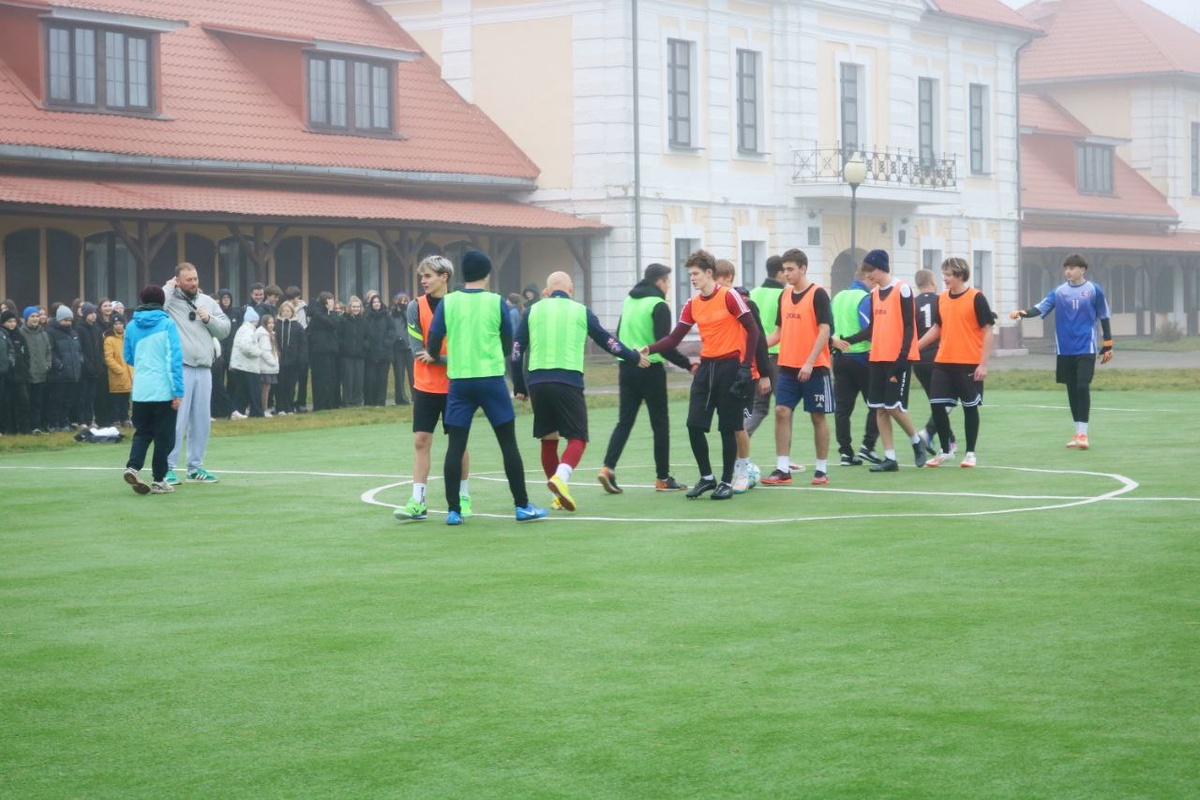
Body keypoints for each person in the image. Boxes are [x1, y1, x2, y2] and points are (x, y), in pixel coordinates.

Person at [424, 249, 547, 524]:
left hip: (460, 381)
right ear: (487, 274)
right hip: (491, 379)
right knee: (508, 444)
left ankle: (454, 511)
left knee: (456, 446)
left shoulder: (449, 302)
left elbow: (433, 340)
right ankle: (522, 506)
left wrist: (436, 355)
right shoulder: (496, 302)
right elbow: (507, 342)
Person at [512, 270, 648, 512]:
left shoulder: (532, 311)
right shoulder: (580, 311)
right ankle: (560, 478)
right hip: (567, 380)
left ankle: (556, 496)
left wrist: (519, 385)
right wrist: (633, 356)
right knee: (578, 438)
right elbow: (607, 341)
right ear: (571, 289)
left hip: (537, 382)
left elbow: (516, 349)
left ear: (547, 291)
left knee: (548, 439)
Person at [644, 249, 760, 500]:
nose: (692, 278)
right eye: (690, 274)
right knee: (694, 425)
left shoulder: (730, 296)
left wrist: (745, 367)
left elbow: (753, 330)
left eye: (695, 273)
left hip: (730, 367)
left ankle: (726, 481)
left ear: (709, 273)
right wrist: (649, 349)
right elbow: (674, 338)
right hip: (706, 368)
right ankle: (707, 477)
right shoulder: (692, 304)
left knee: (728, 428)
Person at [830, 249, 928, 473]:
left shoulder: (902, 289)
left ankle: (916, 442)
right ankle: (890, 458)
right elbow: (871, 329)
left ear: (881, 268)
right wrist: (848, 340)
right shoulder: (874, 294)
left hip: (897, 359)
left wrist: (903, 357)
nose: (868, 275)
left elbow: (909, 326)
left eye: (871, 271)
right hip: (877, 357)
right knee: (879, 408)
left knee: (894, 407)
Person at [598, 263, 692, 494]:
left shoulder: (628, 301)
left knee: (624, 421)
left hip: (627, 367)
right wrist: (688, 364)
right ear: (659, 282)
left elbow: (618, 335)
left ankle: (608, 467)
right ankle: (662, 478)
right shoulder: (659, 305)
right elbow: (665, 345)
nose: (668, 286)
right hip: (651, 369)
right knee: (660, 424)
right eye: (667, 282)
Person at [394, 255, 472, 521]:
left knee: (459, 444)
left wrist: (439, 358)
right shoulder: (415, 307)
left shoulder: (460, 305)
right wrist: (446, 358)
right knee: (421, 441)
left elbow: (466, 350)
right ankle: (418, 502)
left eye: (428, 276)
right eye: (422, 277)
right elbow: (418, 350)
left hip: (456, 386)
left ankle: (463, 496)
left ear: (444, 277)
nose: (423, 281)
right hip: (425, 386)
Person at [1008, 252, 1112, 449]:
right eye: (1066, 268)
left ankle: (1084, 434)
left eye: (1072, 268)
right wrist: (1022, 314)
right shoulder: (1059, 292)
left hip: (1086, 347)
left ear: (1082, 270)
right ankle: (1077, 433)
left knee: (1082, 386)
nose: (1068, 272)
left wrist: (1108, 343)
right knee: (1071, 389)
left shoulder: (1094, 290)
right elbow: (1039, 308)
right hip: (1064, 349)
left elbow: (1104, 316)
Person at [760, 248, 834, 486]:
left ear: (803, 268)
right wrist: (754, 346)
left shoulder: (818, 294)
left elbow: (825, 330)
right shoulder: (784, 296)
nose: (786, 273)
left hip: (815, 368)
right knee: (781, 411)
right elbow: (779, 333)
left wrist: (809, 362)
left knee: (818, 417)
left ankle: (821, 470)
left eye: (791, 269)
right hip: (787, 367)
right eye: (784, 269)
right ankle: (783, 469)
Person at [916, 257, 996, 468]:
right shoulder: (941, 298)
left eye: (948, 275)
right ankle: (946, 450)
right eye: (943, 274)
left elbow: (988, 330)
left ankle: (970, 453)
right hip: (943, 361)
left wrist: (983, 364)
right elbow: (937, 328)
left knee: (970, 408)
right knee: (937, 405)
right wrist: (915, 348)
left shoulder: (976, 297)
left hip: (968, 363)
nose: (944, 278)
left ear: (960, 275)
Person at [162, 262, 230, 484]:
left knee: (201, 421)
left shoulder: (208, 302)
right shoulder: (170, 301)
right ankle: (166, 467)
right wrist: (168, 288)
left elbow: (225, 329)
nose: (193, 283)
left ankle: (195, 466)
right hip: (180, 368)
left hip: (204, 368)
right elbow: (155, 308)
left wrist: (209, 319)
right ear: (178, 281)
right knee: (177, 420)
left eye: (195, 278)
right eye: (188, 280)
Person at [713, 258, 773, 493]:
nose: (715, 284)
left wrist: (765, 373)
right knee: (729, 426)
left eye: (718, 279)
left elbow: (758, 339)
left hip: (747, 373)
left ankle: (743, 470)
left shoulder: (746, 304)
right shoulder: (717, 305)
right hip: (725, 372)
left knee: (739, 425)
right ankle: (734, 469)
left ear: (729, 277)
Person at [122, 284, 184, 495]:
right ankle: (159, 480)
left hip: (141, 389)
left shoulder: (131, 326)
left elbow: (128, 356)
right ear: (161, 302)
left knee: (142, 432)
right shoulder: (168, 324)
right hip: (164, 390)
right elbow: (174, 359)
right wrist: (178, 391)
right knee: (164, 437)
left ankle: (133, 467)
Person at [830, 263, 881, 466]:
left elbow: (830, 326)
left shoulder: (838, 297)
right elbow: (869, 330)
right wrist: (851, 341)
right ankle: (868, 446)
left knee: (842, 409)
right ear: (867, 278)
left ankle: (845, 452)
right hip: (862, 358)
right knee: (877, 404)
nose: (876, 284)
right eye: (874, 280)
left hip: (840, 358)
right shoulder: (864, 298)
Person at [913, 269, 954, 457]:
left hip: (919, 359)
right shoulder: (941, 301)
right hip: (939, 357)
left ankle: (949, 440)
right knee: (948, 400)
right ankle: (928, 432)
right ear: (933, 282)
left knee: (937, 401)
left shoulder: (912, 304)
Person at [746, 255, 785, 436]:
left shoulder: (752, 294)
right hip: (778, 357)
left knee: (759, 408)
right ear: (780, 273)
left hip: (756, 359)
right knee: (784, 408)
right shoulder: (785, 296)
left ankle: (740, 443)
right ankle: (784, 453)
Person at [46, 305, 84, 432]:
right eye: (65, 320)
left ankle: (64, 423)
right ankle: (54, 424)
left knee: (68, 401)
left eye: (70, 320)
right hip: (59, 374)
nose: (68, 323)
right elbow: (50, 351)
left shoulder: (73, 333)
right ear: (59, 319)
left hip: (72, 373)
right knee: (56, 400)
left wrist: (79, 361)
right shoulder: (51, 332)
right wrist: (59, 364)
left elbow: (79, 350)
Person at [19, 307, 51, 433]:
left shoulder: (43, 334)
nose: (35, 319)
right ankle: (27, 427)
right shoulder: (21, 333)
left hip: (42, 374)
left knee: (39, 402)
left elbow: (48, 351)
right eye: (32, 316)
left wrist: (47, 364)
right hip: (27, 375)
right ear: (26, 318)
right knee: (27, 403)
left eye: (37, 316)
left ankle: (37, 426)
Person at [306, 292, 339, 412]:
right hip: (320, 351)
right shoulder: (318, 314)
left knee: (330, 378)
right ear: (326, 302)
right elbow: (333, 323)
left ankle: (329, 403)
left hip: (329, 350)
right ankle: (321, 404)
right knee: (322, 379)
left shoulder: (322, 313)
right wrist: (332, 311)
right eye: (331, 300)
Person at [1, 309, 31, 434]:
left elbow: (26, 354)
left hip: (20, 376)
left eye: (14, 321)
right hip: (7, 376)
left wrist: (25, 367)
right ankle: (10, 429)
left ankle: (25, 429)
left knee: (24, 402)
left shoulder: (19, 335)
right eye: (9, 322)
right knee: (7, 404)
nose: (12, 324)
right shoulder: (3, 336)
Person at [230, 306, 264, 417]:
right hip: (248, 366)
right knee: (254, 391)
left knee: (242, 391)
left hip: (241, 365)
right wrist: (259, 352)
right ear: (253, 320)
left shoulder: (242, 329)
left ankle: (238, 411)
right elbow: (246, 347)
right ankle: (256, 412)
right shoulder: (248, 331)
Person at [275, 301, 306, 415]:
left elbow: (303, 343)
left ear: (292, 312)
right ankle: (280, 408)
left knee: (291, 385)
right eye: (284, 311)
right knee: (280, 385)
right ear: (280, 312)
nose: (286, 313)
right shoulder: (276, 325)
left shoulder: (298, 326)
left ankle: (289, 407)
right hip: (279, 361)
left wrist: (301, 357)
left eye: (288, 311)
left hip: (293, 361)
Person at [363, 294, 395, 407]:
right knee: (371, 379)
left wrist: (386, 343)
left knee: (382, 379)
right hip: (370, 353)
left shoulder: (387, 316)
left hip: (385, 353)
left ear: (381, 303)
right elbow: (364, 332)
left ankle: (381, 402)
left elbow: (392, 331)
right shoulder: (367, 316)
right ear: (371, 304)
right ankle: (370, 402)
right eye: (374, 302)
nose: (376, 304)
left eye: (378, 302)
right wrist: (367, 344)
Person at [338, 295, 368, 407]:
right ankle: (347, 401)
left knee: (359, 380)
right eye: (354, 306)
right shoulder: (343, 320)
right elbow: (339, 336)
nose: (356, 309)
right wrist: (345, 347)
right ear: (350, 307)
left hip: (360, 356)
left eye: (358, 306)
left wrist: (364, 347)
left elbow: (368, 337)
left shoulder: (364, 321)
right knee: (348, 380)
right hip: (347, 356)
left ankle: (357, 401)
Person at [284, 286, 310, 412]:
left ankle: (301, 402)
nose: (293, 301)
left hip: (302, 344)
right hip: (289, 348)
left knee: (303, 377)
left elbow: (307, 324)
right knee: (290, 378)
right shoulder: (284, 308)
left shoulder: (304, 308)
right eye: (290, 298)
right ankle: (288, 402)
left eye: (295, 298)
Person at [103, 317, 133, 427]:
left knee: (126, 400)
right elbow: (108, 358)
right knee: (116, 399)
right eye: (116, 323)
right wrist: (120, 370)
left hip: (128, 374)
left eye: (120, 323)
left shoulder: (127, 338)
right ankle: (116, 420)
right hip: (117, 374)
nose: (118, 326)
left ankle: (125, 418)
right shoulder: (109, 340)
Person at [390, 292, 414, 406]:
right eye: (400, 300)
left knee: (413, 374)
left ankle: (416, 396)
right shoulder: (391, 315)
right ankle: (401, 398)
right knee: (399, 375)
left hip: (409, 348)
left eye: (405, 301)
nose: (403, 303)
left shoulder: (411, 314)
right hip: (397, 349)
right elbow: (391, 330)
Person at [256, 313, 280, 416]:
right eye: (269, 323)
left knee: (267, 389)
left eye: (272, 323)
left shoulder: (271, 334)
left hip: (269, 366)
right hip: (265, 366)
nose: (271, 325)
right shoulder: (264, 335)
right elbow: (265, 352)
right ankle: (264, 409)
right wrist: (273, 362)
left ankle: (264, 408)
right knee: (265, 389)